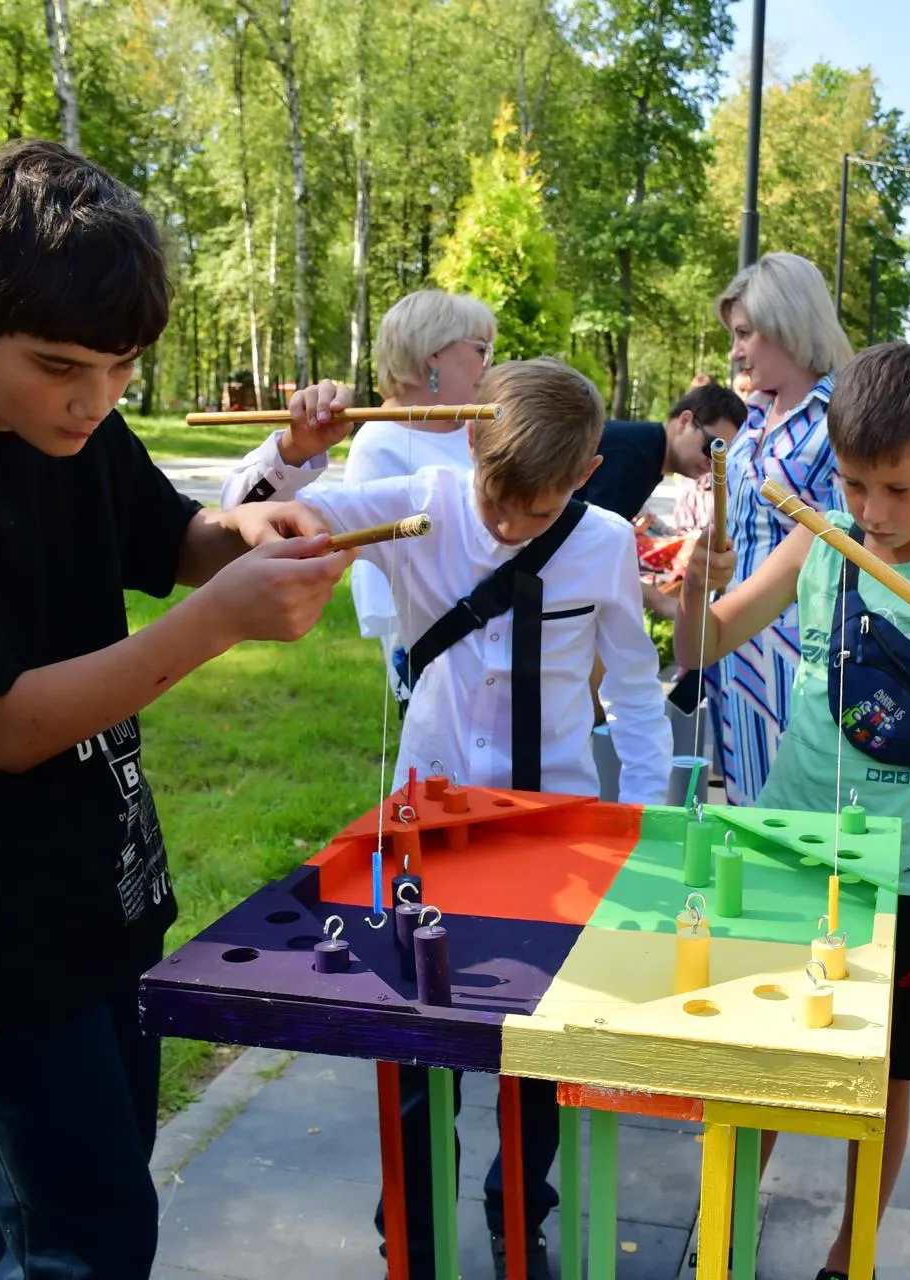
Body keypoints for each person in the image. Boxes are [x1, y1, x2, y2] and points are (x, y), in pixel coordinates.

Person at [0, 140, 347, 1280]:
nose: (95, 398)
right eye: (61, 366)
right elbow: (1, 724)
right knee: (88, 1235)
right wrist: (221, 621)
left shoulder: (80, 423)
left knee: (75, 1207)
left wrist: (249, 535)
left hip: (109, 889)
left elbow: (175, 539)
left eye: (122, 368)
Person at [282, 358, 677, 1280]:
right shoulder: (422, 497)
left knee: (537, 1052)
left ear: (583, 476)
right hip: (432, 828)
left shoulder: (608, 541)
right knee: (415, 1052)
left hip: (558, 833)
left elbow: (634, 691)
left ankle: (518, 1216)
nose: (503, 527)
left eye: (533, 513)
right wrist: (296, 453)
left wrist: (651, 824)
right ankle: (411, 1246)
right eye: (495, 500)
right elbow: (259, 514)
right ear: (470, 441)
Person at [677, 343, 910, 1280]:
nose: (872, 514)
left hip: (908, 867)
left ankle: (851, 1256)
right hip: (789, 841)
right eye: (853, 484)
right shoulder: (821, 539)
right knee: (758, 1056)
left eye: (897, 490)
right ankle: (724, 1236)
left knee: (877, 1075)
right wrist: (691, 582)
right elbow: (706, 644)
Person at [223, 289, 495, 705]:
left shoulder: (477, 430)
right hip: (438, 631)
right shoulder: (381, 441)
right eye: (480, 349)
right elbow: (389, 559)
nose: (487, 364)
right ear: (433, 356)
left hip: (500, 616)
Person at [714, 252, 854, 805]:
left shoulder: (840, 415)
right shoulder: (754, 418)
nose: (735, 350)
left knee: (799, 813)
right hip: (736, 641)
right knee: (748, 802)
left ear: (786, 322)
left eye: (745, 333)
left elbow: (859, 536)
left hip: (804, 649)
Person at [581, 381, 747, 619]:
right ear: (685, 421)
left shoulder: (647, 451)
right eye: (712, 448)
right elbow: (586, 554)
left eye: (724, 458)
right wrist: (661, 601)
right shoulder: (634, 456)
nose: (714, 464)